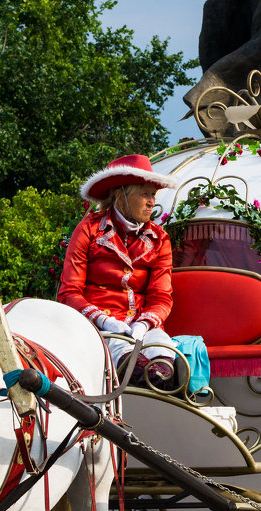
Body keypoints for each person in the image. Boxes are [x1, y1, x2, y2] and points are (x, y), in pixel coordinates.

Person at [58, 154, 180, 389]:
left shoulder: (159, 238)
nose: (151, 202)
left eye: (153, 194)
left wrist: (143, 324)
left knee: (169, 370)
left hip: (144, 328)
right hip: (99, 329)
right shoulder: (89, 230)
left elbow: (161, 297)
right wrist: (104, 320)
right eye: (144, 193)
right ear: (120, 194)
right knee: (136, 371)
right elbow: (68, 292)